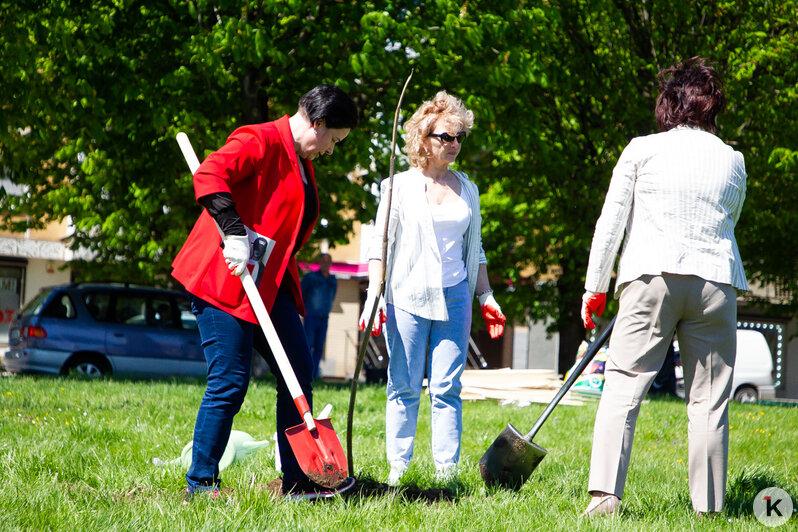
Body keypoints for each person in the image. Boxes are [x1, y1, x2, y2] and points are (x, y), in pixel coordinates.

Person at [171, 84, 358, 501]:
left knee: (297, 371)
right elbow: (209, 174)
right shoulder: (260, 139)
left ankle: (298, 480)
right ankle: (201, 484)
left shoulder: (302, 161)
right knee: (230, 380)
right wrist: (234, 233)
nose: (331, 150)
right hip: (223, 280)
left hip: (267, 285)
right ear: (319, 122)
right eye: (334, 140)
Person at [579, 57, 747, 517]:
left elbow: (610, 224)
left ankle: (605, 499)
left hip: (651, 275)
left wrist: (595, 287)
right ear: (712, 108)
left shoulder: (640, 149)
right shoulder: (734, 159)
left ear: (669, 104)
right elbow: (730, 220)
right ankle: (709, 507)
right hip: (716, 283)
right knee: (710, 400)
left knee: (624, 387)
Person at [359, 91, 506, 485]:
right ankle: (398, 470)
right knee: (404, 384)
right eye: (446, 137)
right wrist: (375, 295)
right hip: (406, 295)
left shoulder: (468, 189)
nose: (454, 144)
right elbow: (380, 246)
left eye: (459, 137)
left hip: (455, 294)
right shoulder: (398, 187)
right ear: (424, 138)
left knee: (447, 387)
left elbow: (475, 248)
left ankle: (447, 473)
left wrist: (486, 295)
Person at [301, 252, 338, 378]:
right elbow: (302, 294)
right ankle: (305, 373)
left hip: (324, 318)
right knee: (308, 345)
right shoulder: (310, 277)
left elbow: (332, 297)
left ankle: (314, 374)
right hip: (311, 316)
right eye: (323, 261)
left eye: (328, 261)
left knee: (319, 348)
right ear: (319, 263)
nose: (326, 264)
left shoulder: (333, 280)